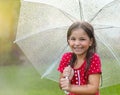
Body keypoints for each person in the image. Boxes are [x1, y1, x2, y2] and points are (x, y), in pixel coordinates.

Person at [57, 21, 102, 95]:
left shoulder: (93, 59)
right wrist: (65, 77)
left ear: (90, 41)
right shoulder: (67, 58)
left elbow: (93, 88)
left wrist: (71, 87)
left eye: (82, 39)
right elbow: (61, 86)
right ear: (68, 41)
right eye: (73, 39)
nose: (77, 43)